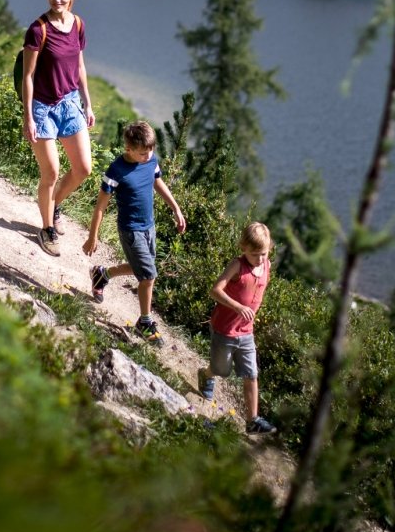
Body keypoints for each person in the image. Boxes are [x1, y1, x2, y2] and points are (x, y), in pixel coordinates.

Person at [84, 120, 186, 342]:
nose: (147, 156)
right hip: (130, 229)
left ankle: (103, 274)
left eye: (150, 151)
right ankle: (144, 321)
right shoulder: (116, 171)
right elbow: (100, 206)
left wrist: (176, 208)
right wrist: (93, 236)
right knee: (149, 275)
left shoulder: (151, 161)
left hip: (149, 226)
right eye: (142, 153)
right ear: (128, 149)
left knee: (140, 269)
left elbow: (157, 182)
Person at [22, 0, 94, 256]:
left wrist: (87, 103)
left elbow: (79, 68)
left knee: (83, 169)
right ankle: (46, 228)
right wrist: (28, 116)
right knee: (50, 172)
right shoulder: (38, 29)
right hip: (42, 108)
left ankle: (54, 206)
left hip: (70, 103)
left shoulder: (77, 25)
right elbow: (28, 76)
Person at [199, 222, 276, 434]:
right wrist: (238, 306)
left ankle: (253, 420)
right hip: (225, 329)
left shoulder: (266, 265)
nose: (260, 259)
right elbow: (214, 290)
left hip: (246, 331)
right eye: (255, 254)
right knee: (221, 370)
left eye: (264, 253)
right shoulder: (237, 266)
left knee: (251, 374)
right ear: (243, 247)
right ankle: (206, 375)